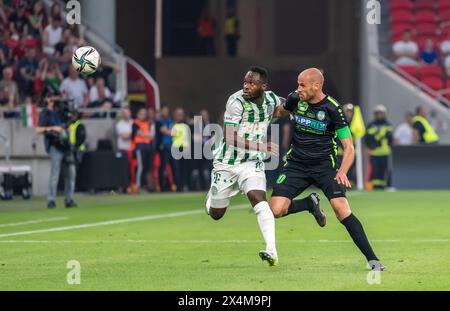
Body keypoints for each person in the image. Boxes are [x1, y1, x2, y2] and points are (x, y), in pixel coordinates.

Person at [270, 68, 384, 271]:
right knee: (276, 210)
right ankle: (308, 204)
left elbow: (349, 147)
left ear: (316, 85)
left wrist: (342, 172)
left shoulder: (333, 109)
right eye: (298, 84)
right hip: (296, 164)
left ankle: (373, 259)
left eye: (302, 85)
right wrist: (269, 105)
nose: (298, 89)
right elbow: (280, 112)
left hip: (325, 166)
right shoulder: (295, 99)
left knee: (342, 210)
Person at [205, 66, 282, 266]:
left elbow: (281, 108)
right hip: (227, 163)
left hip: (252, 162)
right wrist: (261, 146)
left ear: (263, 86)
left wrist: (297, 106)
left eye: (252, 83)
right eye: (245, 82)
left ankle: (272, 250)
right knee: (216, 214)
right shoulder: (236, 101)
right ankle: (211, 198)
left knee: (259, 199)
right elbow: (230, 137)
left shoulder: (271, 98)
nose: (246, 86)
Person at [35, 93, 77, 209]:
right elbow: (38, 130)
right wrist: (53, 128)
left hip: (66, 145)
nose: (55, 100)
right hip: (55, 145)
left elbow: (70, 123)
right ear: (47, 100)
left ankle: (69, 199)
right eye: (52, 98)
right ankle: (51, 200)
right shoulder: (45, 113)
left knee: (71, 173)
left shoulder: (61, 111)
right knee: (55, 174)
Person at [364, 105, 393, 190]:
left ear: (384, 114)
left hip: (385, 152)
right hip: (374, 152)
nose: (379, 115)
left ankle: (384, 186)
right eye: (378, 113)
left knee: (384, 170)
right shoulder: (371, 125)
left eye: (381, 113)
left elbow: (390, 138)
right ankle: (376, 187)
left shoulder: (388, 124)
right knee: (375, 170)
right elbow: (367, 138)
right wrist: (370, 145)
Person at [131, 107, 154, 192]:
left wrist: (146, 135)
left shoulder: (147, 124)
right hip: (140, 147)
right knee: (140, 166)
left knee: (147, 168)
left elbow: (151, 136)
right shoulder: (135, 123)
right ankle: (137, 185)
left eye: (144, 114)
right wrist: (147, 135)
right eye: (141, 113)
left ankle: (146, 186)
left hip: (147, 147)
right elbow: (141, 134)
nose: (143, 115)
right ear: (137, 114)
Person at [171, 107, 191, 192]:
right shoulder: (172, 124)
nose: (180, 116)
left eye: (181, 114)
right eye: (178, 114)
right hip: (175, 148)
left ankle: (184, 185)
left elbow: (188, 137)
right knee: (176, 168)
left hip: (185, 148)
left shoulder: (186, 125)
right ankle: (178, 186)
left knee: (184, 168)